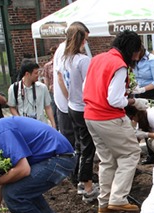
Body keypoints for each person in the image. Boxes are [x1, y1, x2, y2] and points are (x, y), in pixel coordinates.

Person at [83, 30, 149, 213]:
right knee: (131, 153)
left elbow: (85, 87)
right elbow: (114, 100)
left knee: (107, 159)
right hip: (108, 117)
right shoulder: (119, 65)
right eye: (137, 52)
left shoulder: (97, 59)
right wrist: (132, 102)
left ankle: (103, 203)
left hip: (90, 116)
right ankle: (118, 198)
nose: (137, 57)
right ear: (131, 50)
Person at [59, 21, 99, 203]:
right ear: (82, 39)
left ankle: (78, 181)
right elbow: (90, 86)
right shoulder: (83, 61)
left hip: (72, 106)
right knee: (88, 148)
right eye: (86, 39)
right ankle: (88, 187)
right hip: (84, 108)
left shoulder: (65, 58)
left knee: (79, 146)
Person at [8, 60, 56, 128]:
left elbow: (48, 107)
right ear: (27, 74)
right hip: (24, 127)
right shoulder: (14, 88)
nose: (38, 75)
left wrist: (53, 124)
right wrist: (20, 120)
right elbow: (12, 107)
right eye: (35, 73)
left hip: (41, 126)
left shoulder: (42, 87)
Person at [42, 46, 58, 130]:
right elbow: (46, 78)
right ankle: (55, 127)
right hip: (52, 90)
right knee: (53, 111)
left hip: (60, 91)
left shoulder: (61, 63)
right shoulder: (47, 66)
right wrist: (47, 90)